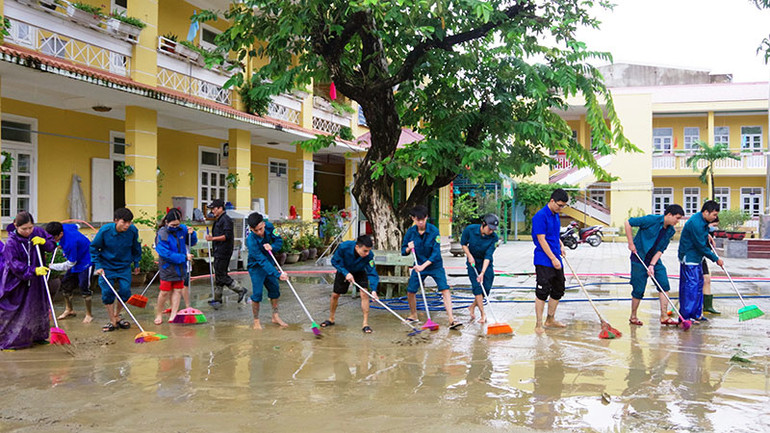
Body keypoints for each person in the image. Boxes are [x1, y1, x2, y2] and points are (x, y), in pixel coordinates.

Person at [0, 211, 56, 349]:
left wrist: (44, 242)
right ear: (16, 226)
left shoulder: (38, 232)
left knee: (37, 304)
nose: (28, 231)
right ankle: (10, 340)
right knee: (16, 309)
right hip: (17, 280)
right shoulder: (11, 243)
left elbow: (52, 245)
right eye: (24, 229)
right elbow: (14, 264)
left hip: (37, 280)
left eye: (30, 227)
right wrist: (33, 270)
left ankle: (37, 335)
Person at [625, 204, 685, 326]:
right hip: (639, 257)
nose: (678, 221)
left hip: (654, 259)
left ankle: (664, 316)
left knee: (664, 284)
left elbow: (661, 249)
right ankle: (633, 316)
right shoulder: (651, 220)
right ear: (669, 215)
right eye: (677, 218)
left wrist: (652, 265)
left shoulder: (670, 231)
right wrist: (631, 243)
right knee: (638, 289)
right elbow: (628, 223)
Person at [401, 205, 460, 329]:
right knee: (411, 291)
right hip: (418, 266)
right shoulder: (411, 232)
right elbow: (403, 251)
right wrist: (408, 248)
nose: (421, 222)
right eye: (418, 220)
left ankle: (451, 319)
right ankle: (413, 315)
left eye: (423, 219)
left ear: (427, 217)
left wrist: (423, 266)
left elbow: (436, 253)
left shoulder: (434, 231)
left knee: (444, 289)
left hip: (434, 266)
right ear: (413, 218)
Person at [90, 207, 142, 332]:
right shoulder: (105, 231)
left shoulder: (132, 231)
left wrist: (136, 263)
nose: (127, 225)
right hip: (106, 266)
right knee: (107, 292)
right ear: (116, 220)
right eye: (124, 222)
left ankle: (117, 315)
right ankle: (112, 319)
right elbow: (94, 248)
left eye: (129, 222)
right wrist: (98, 266)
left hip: (124, 265)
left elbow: (136, 247)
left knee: (125, 291)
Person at [321, 235, 379, 333]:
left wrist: (374, 290)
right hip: (344, 269)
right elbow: (334, 261)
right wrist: (346, 273)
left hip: (360, 271)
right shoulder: (344, 247)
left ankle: (365, 324)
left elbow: (372, 272)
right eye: (365, 251)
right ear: (357, 247)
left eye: (369, 251)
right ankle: (331, 318)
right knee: (335, 295)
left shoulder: (369, 255)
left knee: (364, 293)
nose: (367, 253)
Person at [678, 200, 723, 322]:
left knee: (698, 286)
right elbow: (701, 246)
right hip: (690, 258)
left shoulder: (703, 221)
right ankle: (686, 316)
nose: (715, 217)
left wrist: (707, 235)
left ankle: (697, 314)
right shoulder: (696, 223)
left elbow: (702, 236)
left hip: (697, 258)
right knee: (690, 288)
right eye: (714, 214)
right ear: (706, 212)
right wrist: (716, 259)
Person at [532, 188, 568, 334]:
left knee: (559, 288)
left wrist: (561, 245)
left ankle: (550, 319)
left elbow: (554, 234)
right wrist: (552, 258)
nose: (561, 208)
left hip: (556, 257)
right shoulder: (540, 216)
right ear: (552, 201)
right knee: (542, 291)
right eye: (559, 205)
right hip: (544, 259)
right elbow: (541, 239)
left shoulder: (555, 215)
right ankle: (538, 324)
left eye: (563, 206)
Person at [44, 221, 96, 324]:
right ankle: (69, 310)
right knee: (66, 284)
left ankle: (89, 314)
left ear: (61, 234)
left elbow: (70, 264)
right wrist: (59, 243)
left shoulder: (70, 243)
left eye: (54, 238)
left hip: (86, 261)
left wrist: (52, 266)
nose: (52, 240)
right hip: (75, 258)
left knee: (84, 287)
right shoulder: (64, 227)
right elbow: (77, 225)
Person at [245, 212, 288, 330]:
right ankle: (256, 321)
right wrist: (277, 274)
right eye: (256, 230)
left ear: (264, 224)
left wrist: (272, 247)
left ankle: (275, 316)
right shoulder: (250, 241)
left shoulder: (270, 227)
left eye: (261, 229)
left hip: (269, 261)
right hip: (256, 266)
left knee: (275, 289)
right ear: (251, 229)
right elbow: (261, 260)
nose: (259, 232)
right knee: (257, 294)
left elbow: (279, 240)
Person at [154, 208, 197, 324]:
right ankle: (159, 314)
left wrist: (192, 234)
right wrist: (183, 257)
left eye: (177, 225)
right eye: (173, 225)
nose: (175, 227)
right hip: (167, 267)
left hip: (180, 267)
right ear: (166, 222)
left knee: (178, 290)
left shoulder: (182, 229)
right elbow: (164, 253)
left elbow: (192, 242)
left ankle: (173, 315)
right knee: (164, 292)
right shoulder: (162, 234)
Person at [205, 199, 246, 308]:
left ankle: (240, 289)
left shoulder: (226, 220)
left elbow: (227, 236)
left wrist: (212, 238)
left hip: (224, 251)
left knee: (222, 275)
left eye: (214, 209)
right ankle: (217, 298)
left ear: (220, 208)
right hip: (218, 250)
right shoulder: (218, 220)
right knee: (218, 274)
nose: (212, 211)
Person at [461, 213, 500, 324]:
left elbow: (488, 255)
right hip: (473, 262)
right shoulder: (470, 230)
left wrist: (482, 272)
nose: (491, 231)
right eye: (490, 228)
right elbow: (463, 244)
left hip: (485, 263)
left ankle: (472, 306)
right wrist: (469, 255)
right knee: (477, 287)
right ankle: (483, 314)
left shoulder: (494, 238)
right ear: (483, 224)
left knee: (486, 287)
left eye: (493, 229)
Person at [702, 217, 721, 315]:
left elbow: (708, 248)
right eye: (713, 226)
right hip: (694, 258)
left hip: (702, 258)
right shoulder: (700, 230)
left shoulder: (709, 233)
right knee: (700, 281)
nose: (714, 228)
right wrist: (716, 259)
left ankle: (708, 306)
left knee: (707, 279)